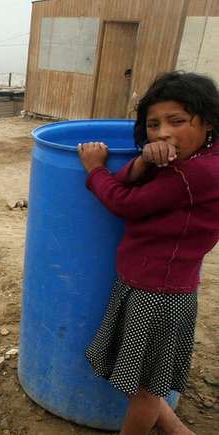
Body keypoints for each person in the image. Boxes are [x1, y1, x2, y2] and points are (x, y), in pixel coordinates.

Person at [78, 71, 218, 435]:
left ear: (209, 121)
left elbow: (125, 202)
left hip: (156, 295)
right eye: (153, 125)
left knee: (145, 389)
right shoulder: (195, 160)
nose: (163, 133)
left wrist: (95, 170)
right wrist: (143, 161)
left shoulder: (193, 174)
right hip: (159, 286)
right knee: (145, 375)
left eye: (178, 121)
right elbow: (134, 180)